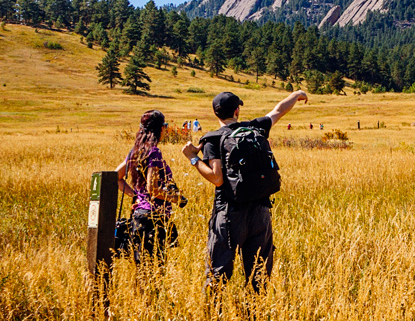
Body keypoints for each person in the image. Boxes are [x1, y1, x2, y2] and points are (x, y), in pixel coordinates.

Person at [182, 90, 306, 291]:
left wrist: (193, 159)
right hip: (260, 211)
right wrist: (296, 94)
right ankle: (254, 317)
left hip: (229, 213)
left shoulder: (212, 139)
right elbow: (278, 111)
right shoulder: (255, 128)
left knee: (218, 273)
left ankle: (215, 318)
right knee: (259, 273)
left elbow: (217, 177)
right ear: (237, 110)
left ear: (216, 114)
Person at [115, 110, 184, 264]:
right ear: (159, 129)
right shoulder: (154, 152)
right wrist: (176, 198)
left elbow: (116, 177)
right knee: (154, 272)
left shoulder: (136, 152)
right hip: (153, 220)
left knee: (143, 270)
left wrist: (137, 197)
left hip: (139, 216)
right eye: (165, 125)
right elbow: (152, 189)